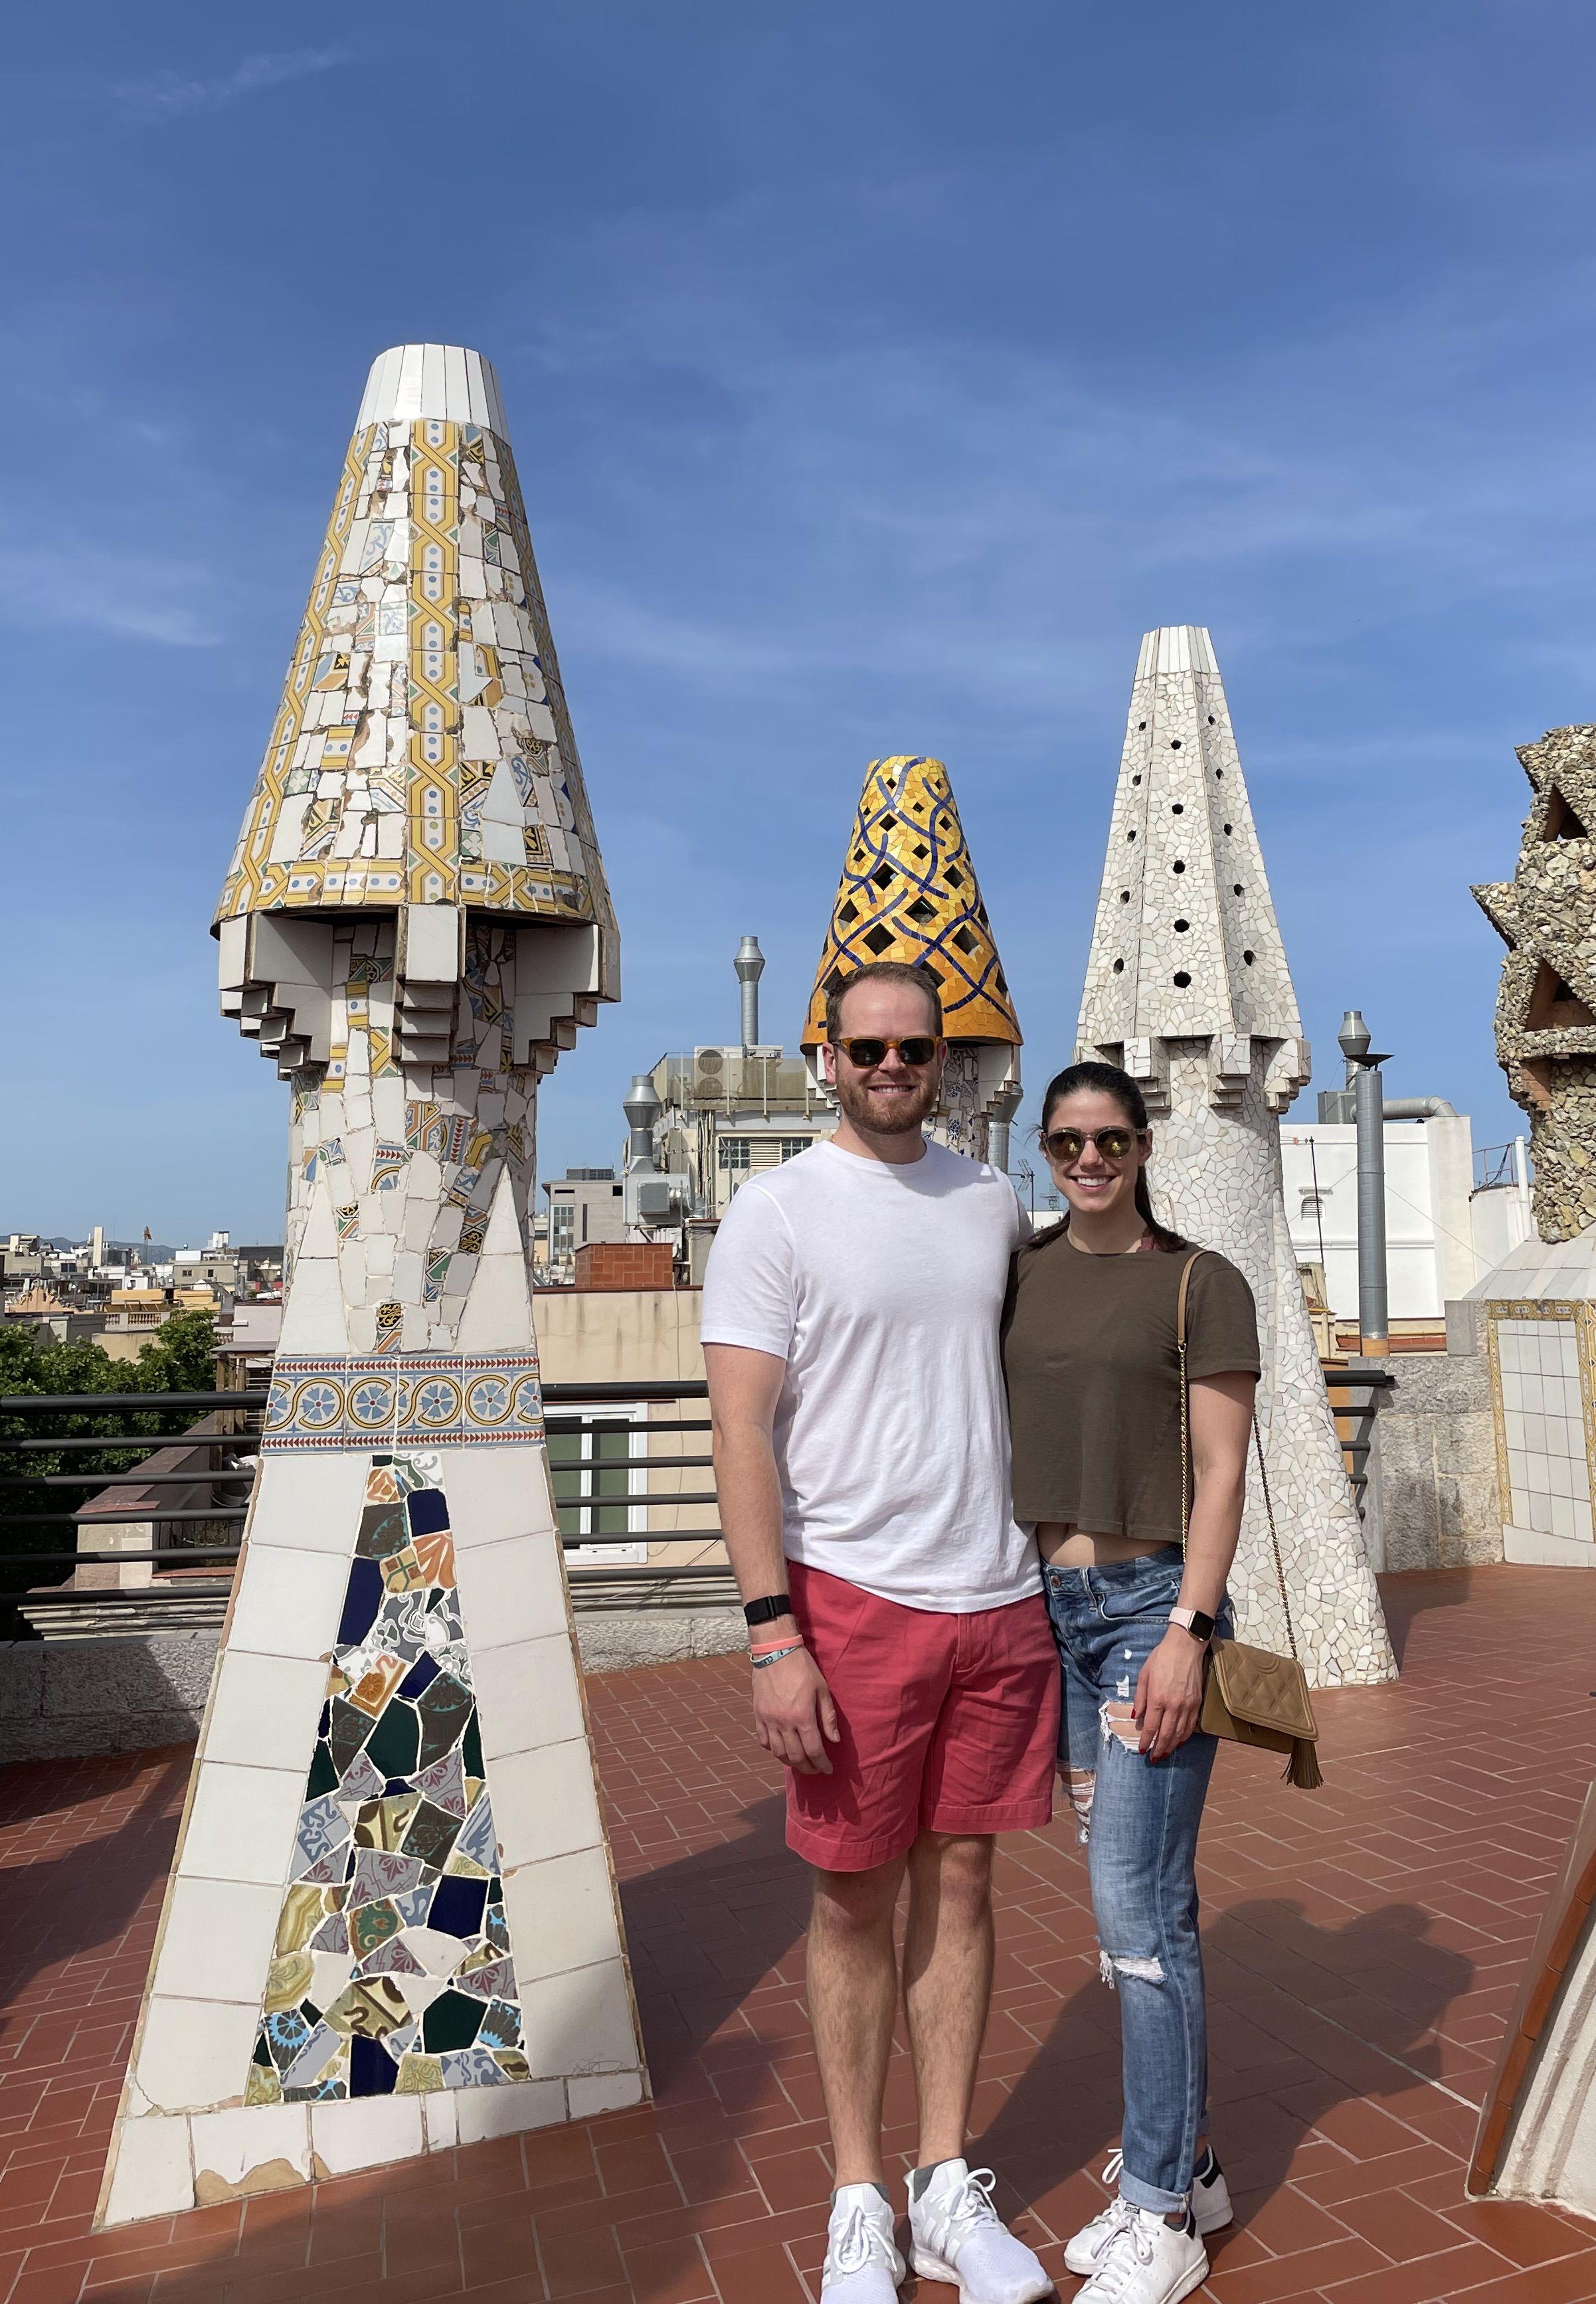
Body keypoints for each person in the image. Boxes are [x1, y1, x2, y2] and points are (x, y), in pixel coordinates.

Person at [701, 958, 1056, 2304]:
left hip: (994, 1594)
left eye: (916, 1047)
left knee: (961, 1884)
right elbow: (740, 1428)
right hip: (847, 1600)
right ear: (829, 1057)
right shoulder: (776, 1210)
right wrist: (770, 1633)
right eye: (869, 1046)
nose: (893, 1065)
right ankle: (859, 2192)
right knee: (853, 1894)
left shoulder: (989, 1201)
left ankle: (944, 2182)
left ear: (945, 1061)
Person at [998, 1062, 1259, 2304]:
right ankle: (1193, 2163)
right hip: (1055, 1612)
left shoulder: (1201, 1284)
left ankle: (1160, 2214)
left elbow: (1220, 1472)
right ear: (1043, 1149)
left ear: (1144, 1144)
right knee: (1147, 1913)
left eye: (1108, 1138)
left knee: (1137, 1924)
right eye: (1066, 1141)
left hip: (1153, 1612)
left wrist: (1190, 1632)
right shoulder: (1025, 1273)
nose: (1088, 1158)